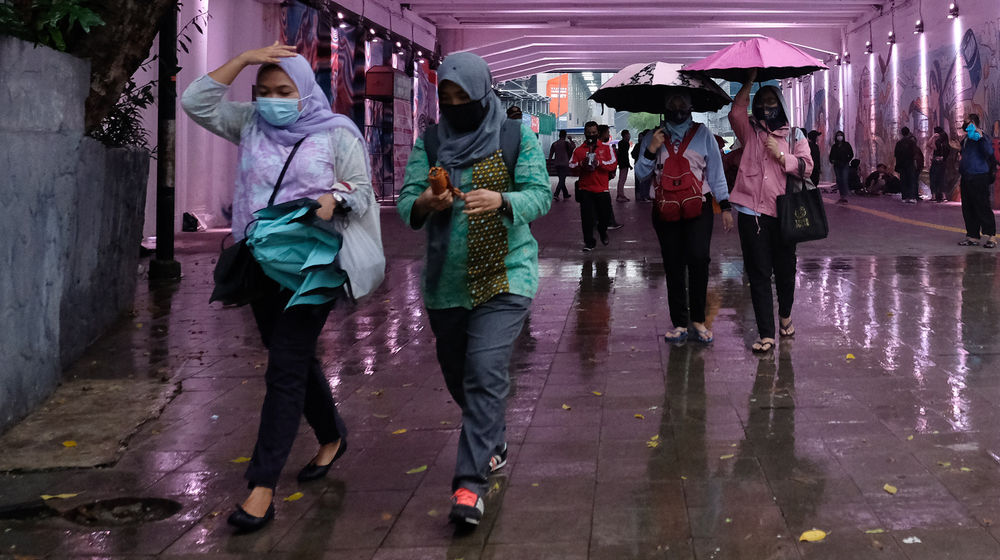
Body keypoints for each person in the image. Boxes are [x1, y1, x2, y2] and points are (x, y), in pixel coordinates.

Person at [181, 43, 382, 532]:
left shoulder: (336, 133)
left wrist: (334, 199)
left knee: (284, 367)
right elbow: (195, 102)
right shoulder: (250, 123)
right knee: (288, 355)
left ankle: (262, 486)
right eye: (264, 90)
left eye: (283, 90)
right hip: (260, 263)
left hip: (313, 267)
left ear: (304, 90)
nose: (273, 99)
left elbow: (361, 188)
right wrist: (245, 60)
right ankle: (332, 434)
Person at [397, 52, 551, 528]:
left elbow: (540, 194)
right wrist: (426, 200)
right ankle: (492, 437)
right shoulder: (432, 141)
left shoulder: (514, 136)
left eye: (464, 97)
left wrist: (503, 199)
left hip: (506, 275)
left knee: (485, 370)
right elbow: (406, 205)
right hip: (447, 282)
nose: (456, 104)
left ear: (484, 95)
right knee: (459, 375)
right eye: (447, 97)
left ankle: (469, 485)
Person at [634, 92, 734, 343]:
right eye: (672, 103)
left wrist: (725, 206)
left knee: (699, 260)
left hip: (698, 207)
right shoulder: (652, 136)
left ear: (691, 106)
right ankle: (679, 322)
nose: (678, 108)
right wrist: (651, 149)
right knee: (673, 263)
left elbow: (716, 172)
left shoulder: (703, 135)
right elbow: (641, 175)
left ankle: (699, 320)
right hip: (665, 210)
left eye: (682, 103)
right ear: (665, 106)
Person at [728, 69, 812, 353]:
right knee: (759, 273)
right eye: (761, 101)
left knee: (786, 272)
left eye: (771, 101)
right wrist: (749, 81)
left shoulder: (796, 134)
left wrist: (781, 155)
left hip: (785, 214)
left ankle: (785, 315)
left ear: (781, 104)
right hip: (752, 214)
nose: (766, 106)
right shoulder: (749, 131)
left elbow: (807, 167)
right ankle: (766, 333)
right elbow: (735, 111)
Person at [570, 121, 619, 250]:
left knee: (605, 215)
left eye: (594, 132)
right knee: (587, 218)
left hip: (602, 189)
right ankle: (589, 242)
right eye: (589, 133)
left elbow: (613, 164)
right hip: (585, 189)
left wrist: (599, 163)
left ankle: (602, 231)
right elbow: (571, 165)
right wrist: (582, 164)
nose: (591, 135)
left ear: (597, 133)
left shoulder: (606, 148)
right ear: (585, 133)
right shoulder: (579, 150)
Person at [957, 114, 996, 248]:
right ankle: (972, 236)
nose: (964, 123)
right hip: (967, 176)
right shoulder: (967, 138)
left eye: (966, 121)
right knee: (968, 207)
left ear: (973, 122)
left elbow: (989, 152)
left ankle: (991, 236)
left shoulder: (981, 136)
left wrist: (980, 139)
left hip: (979, 176)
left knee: (982, 206)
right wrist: (959, 149)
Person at [895, 127, 923, 203]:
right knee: (911, 180)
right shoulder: (912, 143)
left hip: (901, 164)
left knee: (903, 180)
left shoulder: (899, 143)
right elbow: (915, 154)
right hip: (910, 164)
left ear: (902, 133)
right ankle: (912, 197)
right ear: (908, 132)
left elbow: (896, 154)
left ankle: (904, 197)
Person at [928, 126, 951, 202]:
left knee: (934, 178)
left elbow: (928, 144)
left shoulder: (938, 143)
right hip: (943, 163)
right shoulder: (947, 144)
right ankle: (943, 196)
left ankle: (934, 196)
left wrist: (933, 137)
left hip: (936, 162)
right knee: (942, 178)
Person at [828, 130, 853, 204]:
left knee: (844, 179)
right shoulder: (834, 146)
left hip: (845, 164)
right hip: (837, 165)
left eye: (840, 135)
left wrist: (847, 160)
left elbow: (851, 154)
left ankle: (844, 196)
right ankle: (841, 195)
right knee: (839, 180)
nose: (839, 137)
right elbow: (831, 156)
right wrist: (832, 161)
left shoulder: (846, 145)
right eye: (838, 135)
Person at [549, 130, 573, 200]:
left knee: (561, 179)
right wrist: (571, 140)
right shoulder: (566, 143)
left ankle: (565, 194)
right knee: (562, 180)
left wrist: (550, 164)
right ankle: (556, 194)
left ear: (559, 135)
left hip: (557, 164)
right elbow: (573, 147)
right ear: (565, 135)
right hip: (564, 164)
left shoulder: (554, 144)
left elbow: (551, 154)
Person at [632, 129, 654, 201]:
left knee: (644, 182)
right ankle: (642, 196)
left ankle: (643, 196)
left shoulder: (642, 144)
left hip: (642, 166)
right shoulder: (643, 145)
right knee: (643, 182)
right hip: (642, 166)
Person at [615, 129, 633, 202]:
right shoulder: (625, 143)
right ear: (625, 135)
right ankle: (620, 195)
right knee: (622, 180)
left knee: (621, 180)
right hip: (624, 164)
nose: (629, 135)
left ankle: (620, 194)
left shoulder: (620, 143)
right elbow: (625, 155)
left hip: (622, 163)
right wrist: (628, 164)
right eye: (628, 134)